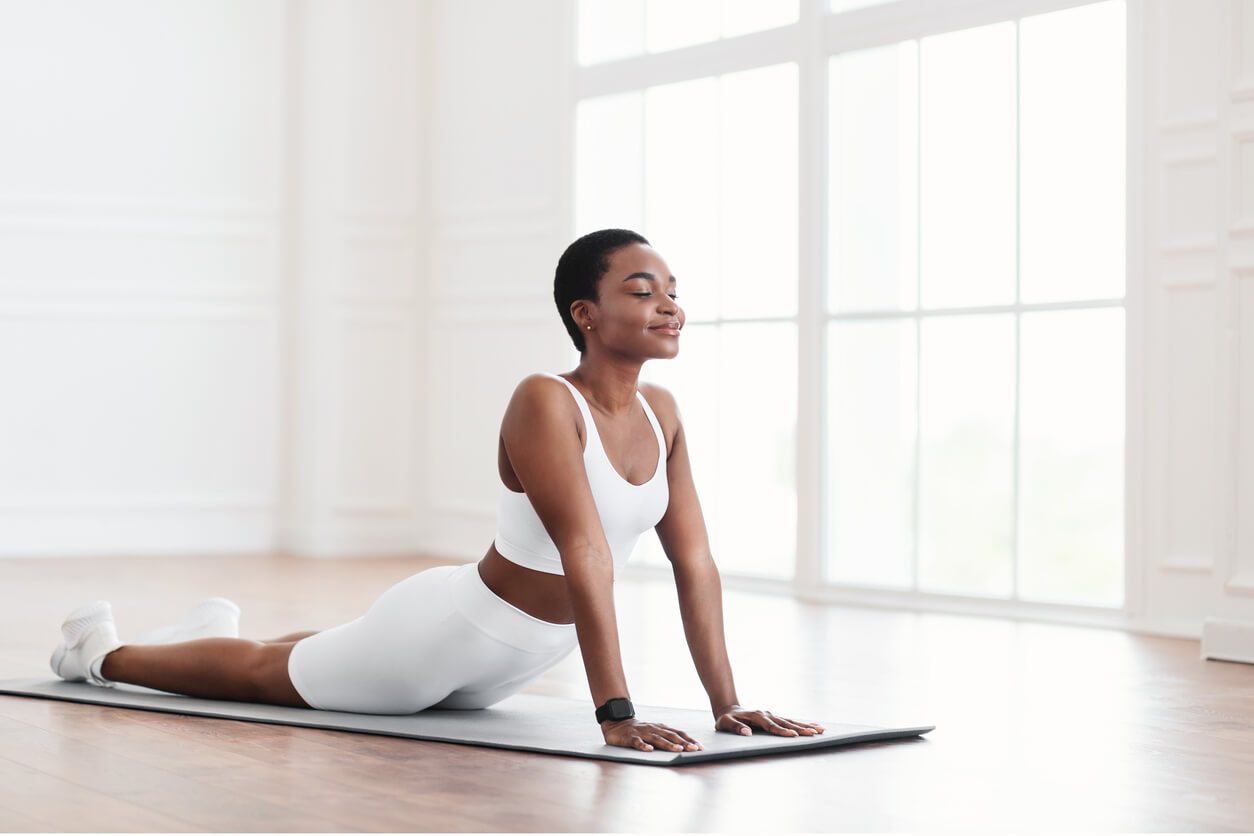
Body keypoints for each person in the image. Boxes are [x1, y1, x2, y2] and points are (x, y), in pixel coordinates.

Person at [49, 229, 824, 753]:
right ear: (585, 315)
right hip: (448, 637)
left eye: (672, 291)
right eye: (643, 290)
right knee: (261, 677)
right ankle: (99, 653)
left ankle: (191, 636)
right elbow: (585, 549)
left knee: (313, 653)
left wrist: (726, 705)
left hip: (515, 661)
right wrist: (614, 713)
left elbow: (697, 567)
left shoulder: (663, 413)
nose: (669, 306)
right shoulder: (544, 400)